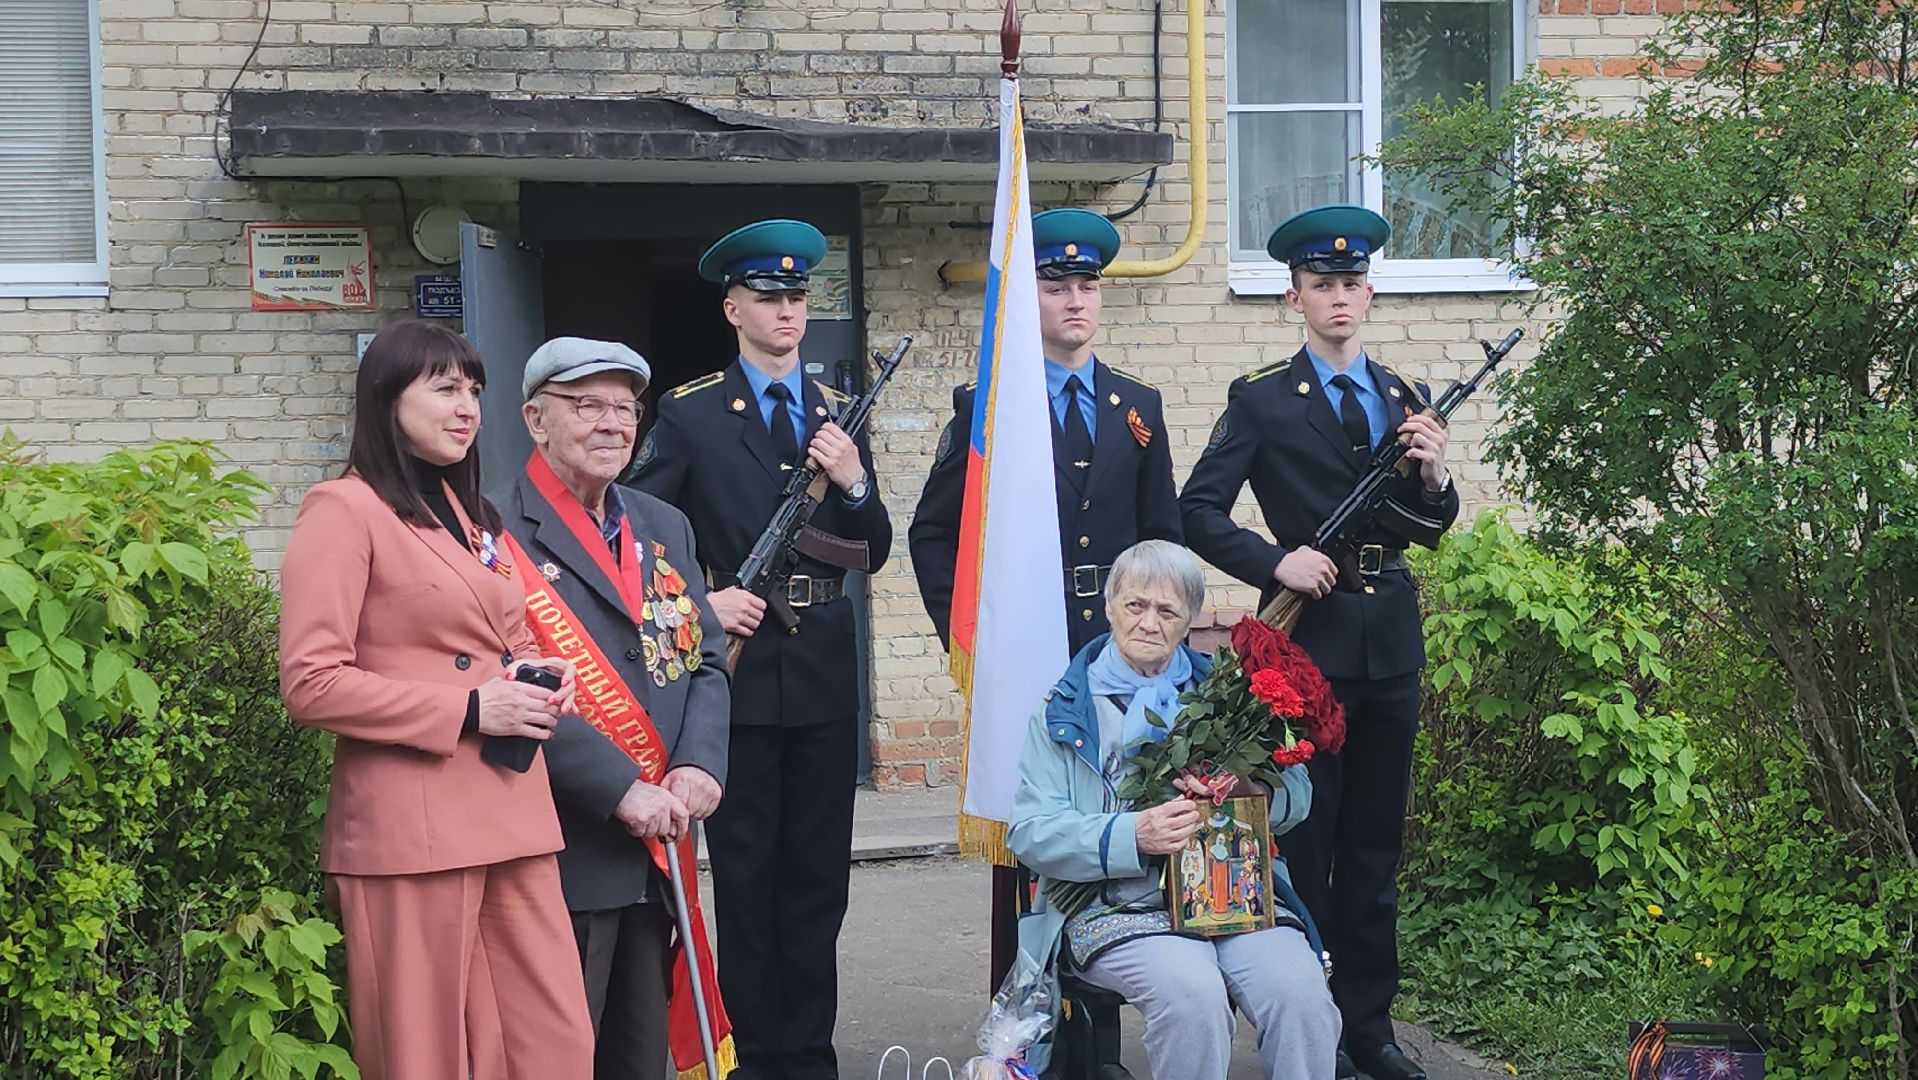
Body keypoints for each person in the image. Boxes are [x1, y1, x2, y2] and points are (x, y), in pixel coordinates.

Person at [1177, 205, 1460, 1080]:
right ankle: (1306, 1025)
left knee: (1375, 848)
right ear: (1294, 297)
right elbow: (1196, 510)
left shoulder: (1404, 398)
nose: (1338, 297)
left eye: (1351, 284)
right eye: (1320, 285)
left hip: (1390, 646)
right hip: (1308, 655)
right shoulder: (1262, 399)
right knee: (1308, 842)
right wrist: (1277, 561)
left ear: (1368, 293)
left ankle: (1367, 1029)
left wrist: (1436, 473)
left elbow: (1430, 525)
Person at [278, 319, 594, 1080]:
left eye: (476, 391)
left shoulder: (470, 514)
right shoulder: (341, 510)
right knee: (426, 1058)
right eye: (446, 388)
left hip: (512, 812)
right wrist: (467, 710)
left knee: (554, 1046)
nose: (468, 408)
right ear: (387, 399)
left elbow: (503, 638)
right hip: (410, 827)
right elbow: (310, 681)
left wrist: (539, 672)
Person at [628, 218, 892, 1080]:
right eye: (770, 298)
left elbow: (875, 545)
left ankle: (809, 1057)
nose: (787, 311)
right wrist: (704, 603)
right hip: (733, 682)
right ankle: (750, 1057)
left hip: (821, 672)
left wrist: (852, 477)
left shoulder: (835, 414)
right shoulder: (694, 411)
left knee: (819, 884)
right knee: (746, 880)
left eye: (798, 297)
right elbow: (636, 537)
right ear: (734, 307)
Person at [490, 336, 732, 1080]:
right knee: (557, 1060)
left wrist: (697, 765)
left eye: (625, 409)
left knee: (637, 1057)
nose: (611, 424)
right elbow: (508, 680)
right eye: (586, 405)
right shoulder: (489, 529)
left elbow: (707, 661)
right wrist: (617, 788)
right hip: (564, 849)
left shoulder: (665, 525)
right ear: (536, 419)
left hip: (660, 847)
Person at [1007, 540, 1340, 1080]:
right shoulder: (1064, 709)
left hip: (1234, 898)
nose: (1148, 623)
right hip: (1115, 906)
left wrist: (1258, 793)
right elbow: (1030, 832)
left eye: (1168, 611)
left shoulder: (1233, 694)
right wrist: (1131, 834)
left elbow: (1298, 795)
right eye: (1136, 605)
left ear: (1189, 620)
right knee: (1192, 995)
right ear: (1111, 605)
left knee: (1299, 990)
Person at [909, 207, 1182, 656]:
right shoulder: (988, 406)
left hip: (1123, 640)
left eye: (1088, 287)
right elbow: (934, 533)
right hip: (1021, 641)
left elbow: (1162, 534)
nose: (1076, 301)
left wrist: (1164, 631)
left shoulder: (1139, 404)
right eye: (1056, 289)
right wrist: (966, 640)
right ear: (1023, 297)